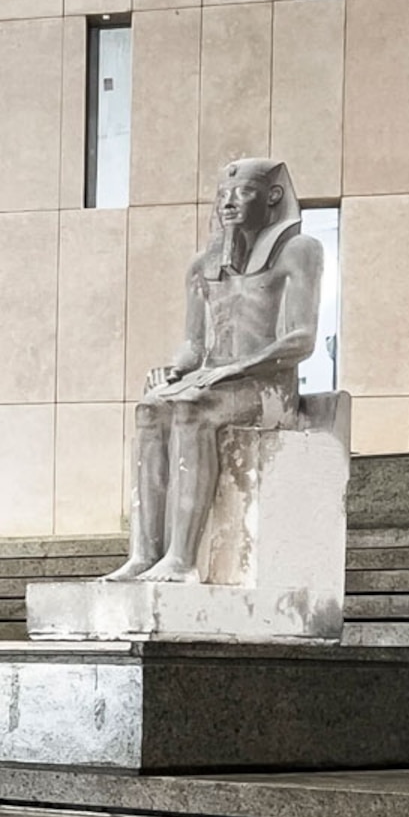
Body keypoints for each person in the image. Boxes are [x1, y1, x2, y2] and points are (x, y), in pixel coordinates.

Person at [107, 159, 323, 584]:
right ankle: (143, 554)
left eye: (243, 192)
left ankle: (182, 558)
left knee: (191, 410)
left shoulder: (300, 251)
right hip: (216, 379)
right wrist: (174, 369)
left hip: (267, 387)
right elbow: (194, 344)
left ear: (272, 197)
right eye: (224, 195)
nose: (229, 202)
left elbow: (302, 339)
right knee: (150, 409)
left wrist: (238, 368)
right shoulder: (201, 265)